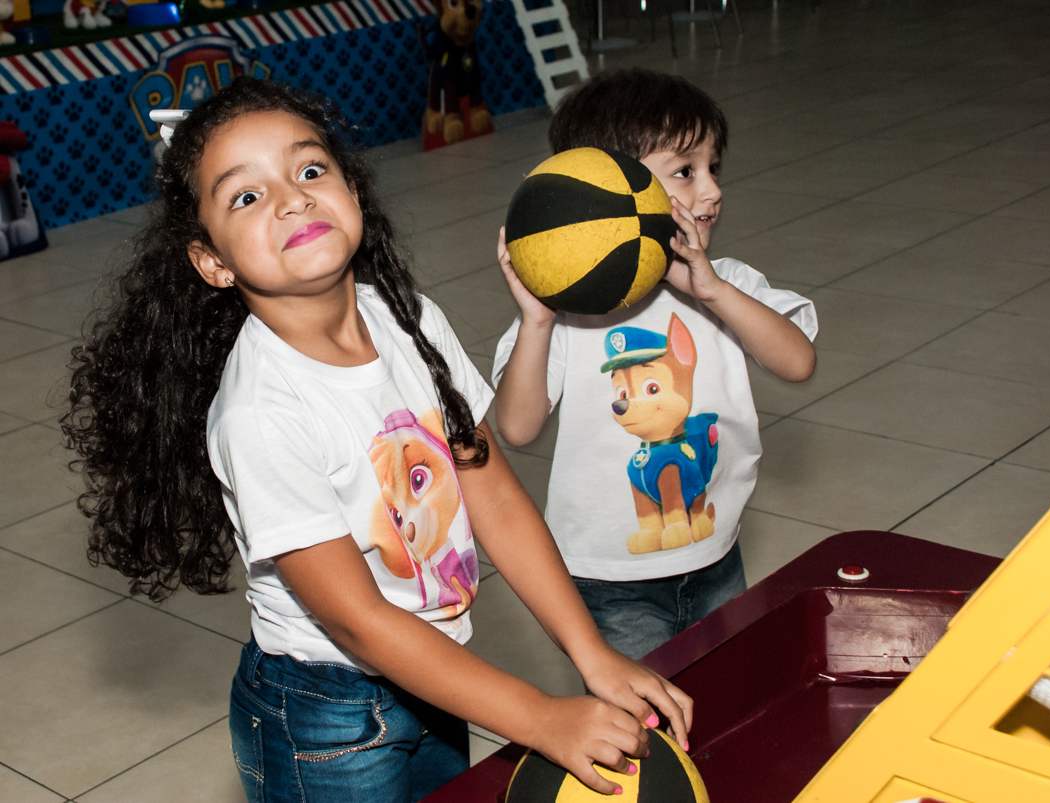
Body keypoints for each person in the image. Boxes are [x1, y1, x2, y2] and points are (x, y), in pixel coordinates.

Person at [61, 78, 690, 803]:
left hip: (435, 672)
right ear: (212, 261)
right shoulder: (261, 412)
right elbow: (357, 622)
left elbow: (496, 498)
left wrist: (592, 653)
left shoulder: (408, 318)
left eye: (309, 169)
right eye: (246, 195)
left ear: (352, 191)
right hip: (325, 715)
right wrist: (538, 716)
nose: (292, 198)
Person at [492, 69, 819, 661]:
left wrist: (713, 292)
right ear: (613, 188)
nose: (713, 190)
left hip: (716, 551)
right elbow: (517, 428)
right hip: (606, 578)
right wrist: (538, 320)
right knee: (641, 728)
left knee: (724, 694)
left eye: (714, 168)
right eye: (687, 171)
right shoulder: (569, 308)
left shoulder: (727, 286)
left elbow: (797, 361)